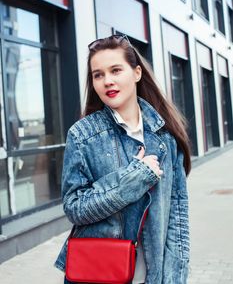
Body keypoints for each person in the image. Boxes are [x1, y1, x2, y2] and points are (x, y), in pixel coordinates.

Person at [55, 34, 191, 284]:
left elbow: (177, 217)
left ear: (137, 73)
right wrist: (134, 178)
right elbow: (74, 208)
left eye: (116, 70)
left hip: (153, 275)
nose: (108, 81)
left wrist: (175, 278)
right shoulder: (83, 135)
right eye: (98, 74)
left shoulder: (166, 137)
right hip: (98, 273)